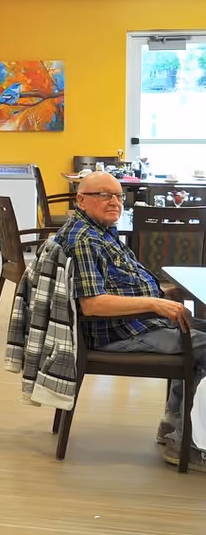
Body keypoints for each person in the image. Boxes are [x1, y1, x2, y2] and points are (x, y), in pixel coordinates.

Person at [56, 171, 206, 471]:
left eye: (119, 196)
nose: (114, 201)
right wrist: (154, 303)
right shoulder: (85, 240)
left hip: (132, 322)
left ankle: (174, 423)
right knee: (203, 346)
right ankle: (184, 442)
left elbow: (117, 283)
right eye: (104, 195)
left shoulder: (99, 230)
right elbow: (93, 304)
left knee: (198, 333)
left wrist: (162, 294)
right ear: (81, 200)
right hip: (116, 331)